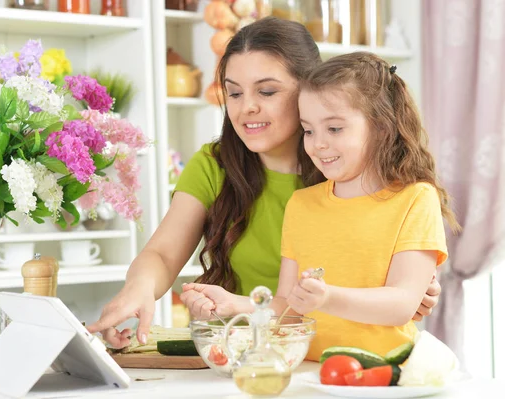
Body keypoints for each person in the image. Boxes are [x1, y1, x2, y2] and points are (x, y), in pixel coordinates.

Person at [86, 17, 442, 348]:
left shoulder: (350, 174)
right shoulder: (215, 166)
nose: (246, 108)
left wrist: (405, 290)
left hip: (340, 358)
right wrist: (137, 291)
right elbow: (162, 254)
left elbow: (397, 281)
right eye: (235, 93)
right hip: (247, 353)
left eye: (267, 92)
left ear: (310, 89)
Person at [182, 51, 461, 361]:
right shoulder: (302, 203)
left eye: (335, 129)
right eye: (309, 130)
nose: (318, 144)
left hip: (383, 374)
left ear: (382, 127)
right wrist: (237, 304)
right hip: (309, 373)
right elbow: (289, 308)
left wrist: (326, 297)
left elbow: (402, 305)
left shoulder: (415, 199)